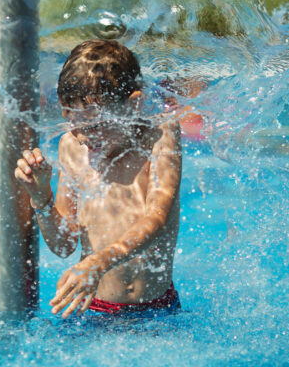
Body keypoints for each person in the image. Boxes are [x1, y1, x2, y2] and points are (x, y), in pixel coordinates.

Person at [14, 39, 182, 319]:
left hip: (156, 310)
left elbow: (157, 218)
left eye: (93, 126)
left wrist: (99, 261)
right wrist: (41, 196)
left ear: (134, 105)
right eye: (73, 123)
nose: (82, 137)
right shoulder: (71, 146)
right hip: (93, 309)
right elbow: (64, 245)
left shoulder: (160, 135)